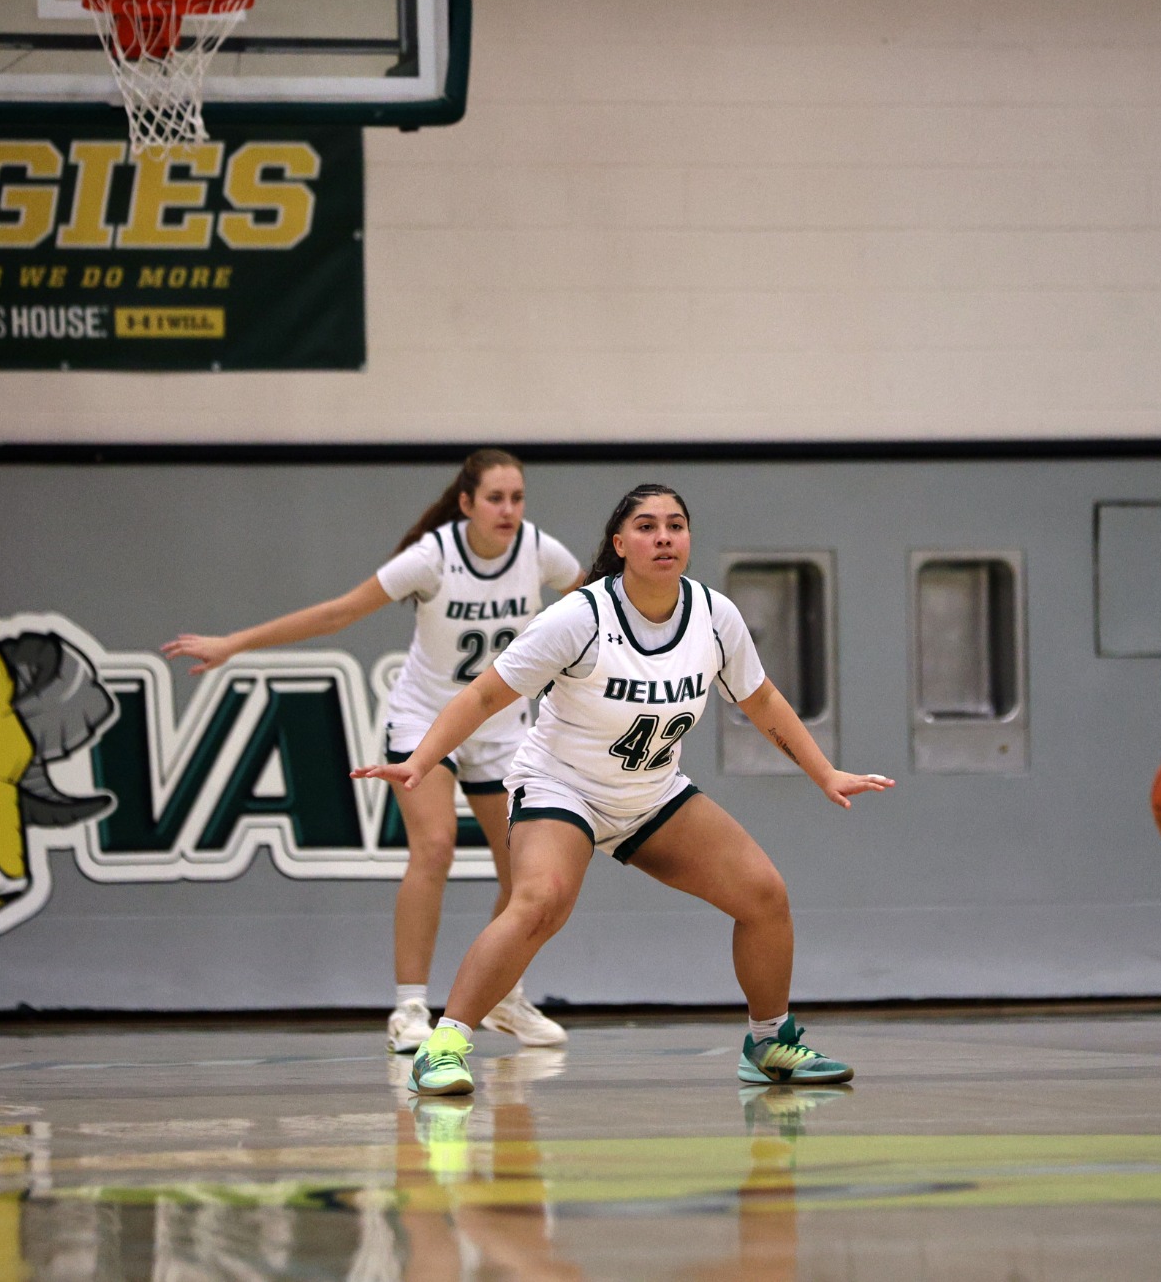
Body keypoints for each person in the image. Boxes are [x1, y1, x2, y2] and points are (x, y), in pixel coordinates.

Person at [354, 484, 893, 1096]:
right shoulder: (580, 616)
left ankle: (770, 1042)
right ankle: (444, 1044)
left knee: (764, 894)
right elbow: (483, 694)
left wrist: (824, 772)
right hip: (563, 788)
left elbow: (761, 699)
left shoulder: (715, 616)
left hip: (650, 795)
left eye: (675, 525)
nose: (663, 536)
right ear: (620, 543)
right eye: (646, 526)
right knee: (541, 900)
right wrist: (423, 761)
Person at [163, 449, 583, 1054]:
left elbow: (598, 606)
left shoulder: (541, 552)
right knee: (433, 847)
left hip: (499, 726)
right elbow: (341, 612)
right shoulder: (432, 557)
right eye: (495, 498)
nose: (509, 509)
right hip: (424, 721)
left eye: (517, 498)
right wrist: (236, 643)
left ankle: (505, 999)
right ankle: (409, 1007)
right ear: (466, 503)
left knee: (523, 872)